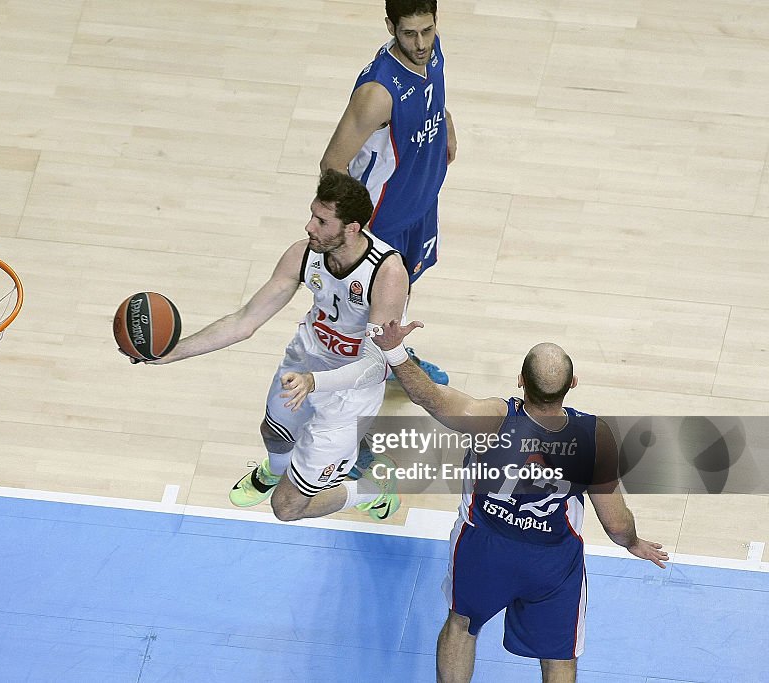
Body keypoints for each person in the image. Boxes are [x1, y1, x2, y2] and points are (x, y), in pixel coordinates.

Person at [369, 321, 670, 683]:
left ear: (520, 381)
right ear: (572, 385)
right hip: (553, 562)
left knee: (462, 624)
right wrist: (633, 543)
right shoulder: (593, 435)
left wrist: (394, 350)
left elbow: (428, 396)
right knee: (558, 657)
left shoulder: (494, 419)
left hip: (482, 547)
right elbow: (617, 524)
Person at [145, 170, 409, 522]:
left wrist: (316, 383)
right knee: (274, 431)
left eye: (321, 220)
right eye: (312, 215)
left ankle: (372, 489)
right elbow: (245, 321)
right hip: (304, 362)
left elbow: (377, 366)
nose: (308, 227)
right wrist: (173, 352)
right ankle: (276, 469)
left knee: (286, 508)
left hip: (348, 392)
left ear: (352, 228)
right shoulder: (304, 254)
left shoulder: (387, 274)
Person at [321, 0, 456, 387]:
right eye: (409, 34)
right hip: (383, 219)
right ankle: (353, 405)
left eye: (427, 31)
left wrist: (446, 121)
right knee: (364, 315)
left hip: (421, 202)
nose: (419, 43)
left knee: (402, 291)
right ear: (389, 26)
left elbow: (433, 96)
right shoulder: (378, 91)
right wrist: (350, 230)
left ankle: (392, 359)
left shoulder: (432, 49)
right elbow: (332, 162)